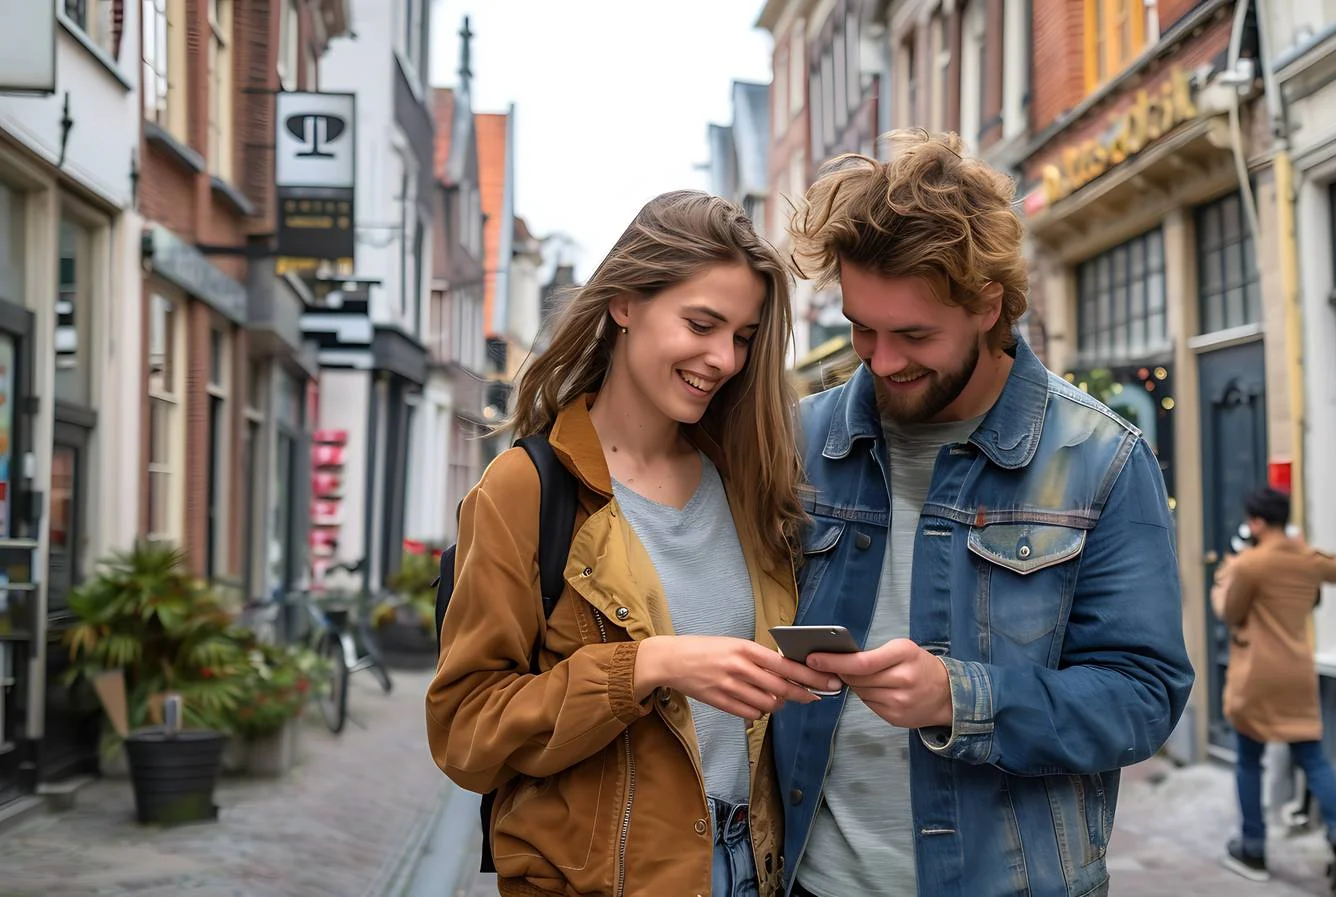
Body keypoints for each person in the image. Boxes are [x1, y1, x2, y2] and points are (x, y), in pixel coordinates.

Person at [772, 130, 1193, 897]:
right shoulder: (801, 439)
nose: (882, 359)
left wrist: (960, 699)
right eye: (862, 327)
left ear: (987, 305)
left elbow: (1145, 695)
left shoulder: (1104, 458)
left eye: (915, 335)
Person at [426, 191, 838, 897]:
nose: (724, 358)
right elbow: (466, 731)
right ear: (624, 303)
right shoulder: (525, 489)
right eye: (702, 323)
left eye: (742, 336)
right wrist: (644, 665)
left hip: (751, 870)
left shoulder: (750, 483)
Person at [1212, 487, 1336, 895]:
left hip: (1256, 675)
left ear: (1257, 523)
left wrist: (1225, 575)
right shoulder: (1305, 561)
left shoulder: (1249, 564)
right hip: (1298, 673)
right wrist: (1302, 548)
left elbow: (1229, 611)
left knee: (1249, 760)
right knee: (1314, 759)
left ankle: (1252, 849)